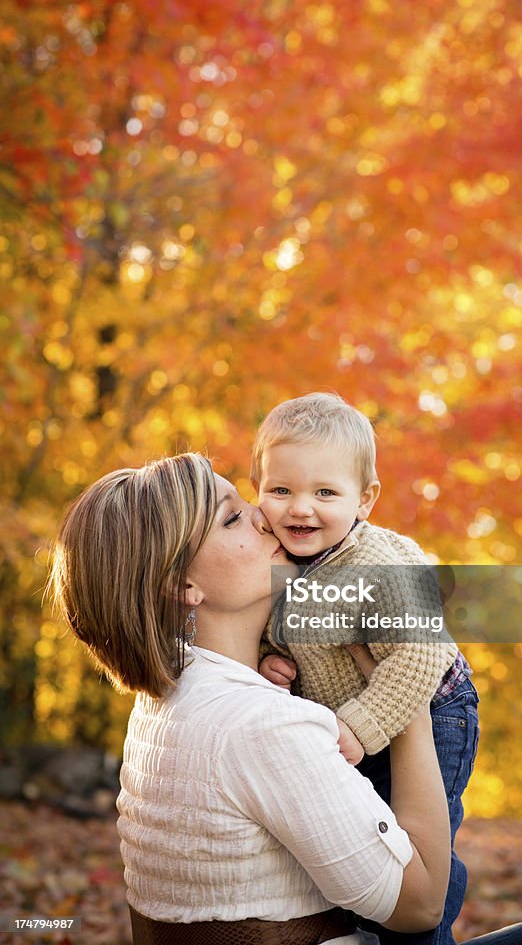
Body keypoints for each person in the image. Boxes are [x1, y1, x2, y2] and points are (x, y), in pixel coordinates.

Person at [48, 452, 453, 945]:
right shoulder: (262, 724)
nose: (266, 515)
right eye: (233, 517)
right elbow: (423, 904)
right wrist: (408, 703)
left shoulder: (166, 704)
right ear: (184, 584)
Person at [251, 392, 479, 945]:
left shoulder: (381, 561)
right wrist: (271, 661)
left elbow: (419, 653)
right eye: (281, 489)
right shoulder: (278, 560)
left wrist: (361, 725)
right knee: (366, 847)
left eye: (325, 492)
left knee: (413, 850)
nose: (299, 508)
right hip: (353, 720)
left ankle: (427, 918)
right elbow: (274, 631)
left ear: (365, 499)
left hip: (433, 706)